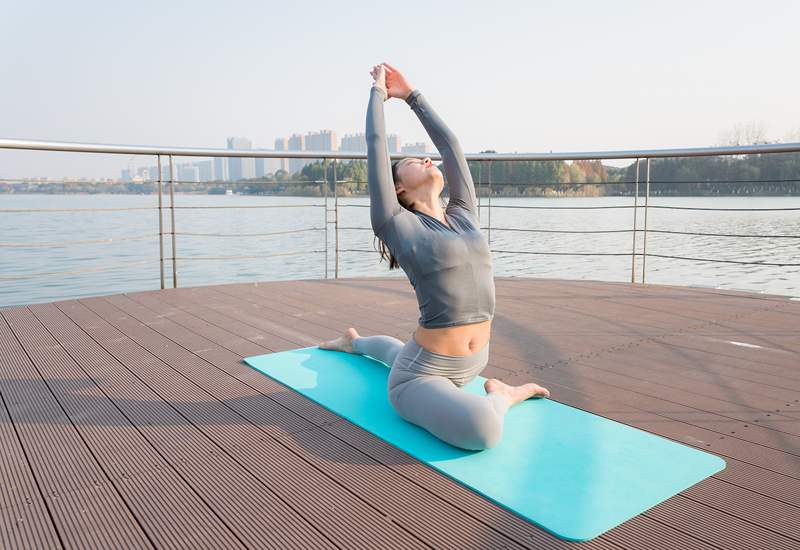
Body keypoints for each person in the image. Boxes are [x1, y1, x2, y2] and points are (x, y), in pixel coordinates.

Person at [319, 62, 549, 451]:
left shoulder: (463, 213)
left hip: (468, 365)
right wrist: (379, 93)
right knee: (484, 432)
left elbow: (451, 147)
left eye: (424, 158)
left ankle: (353, 341)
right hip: (419, 377)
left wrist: (412, 96)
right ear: (398, 190)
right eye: (411, 162)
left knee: (395, 350)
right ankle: (504, 395)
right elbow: (376, 146)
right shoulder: (396, 223)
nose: (426, 160)